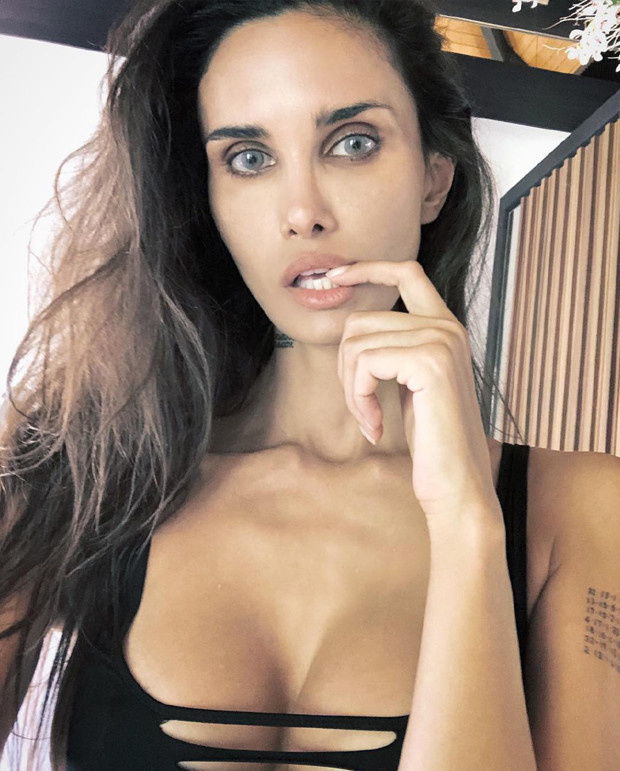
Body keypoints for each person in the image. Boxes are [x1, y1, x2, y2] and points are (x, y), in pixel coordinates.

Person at [1, 1, 618, 769]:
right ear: (208, 199)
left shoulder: (580, 508)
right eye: (248, 158)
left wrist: (466, 518)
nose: (303, 213)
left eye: (353, 143)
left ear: (433, 179)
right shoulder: (74, 469)